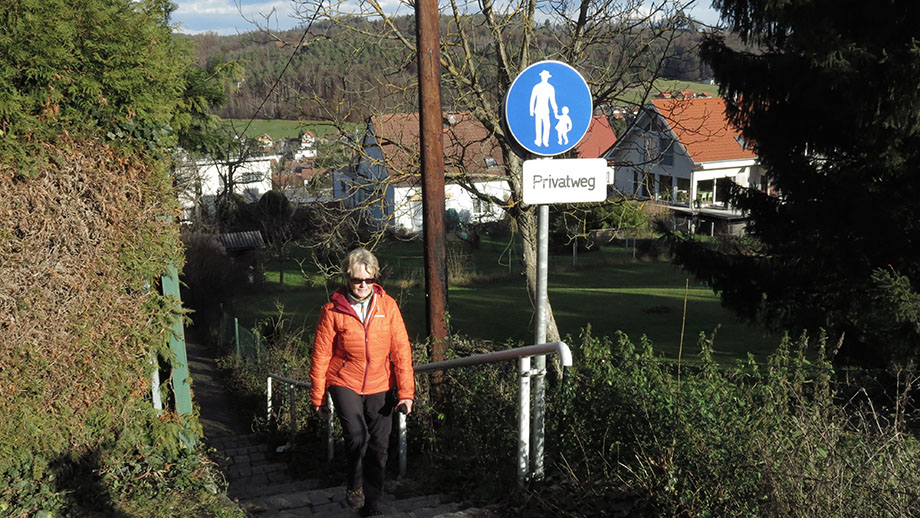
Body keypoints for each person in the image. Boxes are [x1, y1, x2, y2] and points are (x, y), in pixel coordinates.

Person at [309, 248, 415, 517]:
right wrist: (319, 397)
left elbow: (401, 350)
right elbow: (321, 355)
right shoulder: (332, 310)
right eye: (357, 280)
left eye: (368, 280)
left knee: (379, 445)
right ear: (347, 278)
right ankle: (354, 485)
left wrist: (406, 392)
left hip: (381, 382)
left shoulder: (388, 306)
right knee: (357, 436)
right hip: (344, 380)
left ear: (375, 278)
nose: (363, 286)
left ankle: (372, 504)